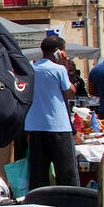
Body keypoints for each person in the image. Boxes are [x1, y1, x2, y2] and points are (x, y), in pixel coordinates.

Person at [25, 37, 79, 189]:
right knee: (66, 173)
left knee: (38, 174)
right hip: (58, 126)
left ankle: (40, 204)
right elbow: (70, 92)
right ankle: (69, 204)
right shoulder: (59, 69)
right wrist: (64, 67)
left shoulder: (31, 69)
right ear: (58, 51)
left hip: (35, 126)